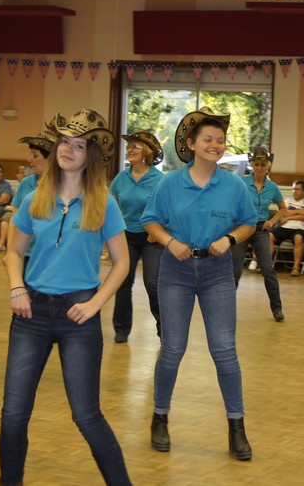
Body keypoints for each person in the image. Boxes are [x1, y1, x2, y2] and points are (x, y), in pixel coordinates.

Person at [0, 108, 131, 485]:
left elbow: (122, 262)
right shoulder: (34, 198)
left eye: (78, 145)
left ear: (90, 156)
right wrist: (17, 288)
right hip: (31, 313)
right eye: (64, 142)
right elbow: (13, 252)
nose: (67, 150)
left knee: (87, 416)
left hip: (79, 315)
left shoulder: (103, 202)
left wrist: (95, 303)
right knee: (13, 415)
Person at [141, 107, 257, 460]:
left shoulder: (234, 185)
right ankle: (160, 417)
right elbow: (150, 221)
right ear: (190, 144)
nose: (215, 145)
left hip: (217, 272)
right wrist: (169, 242)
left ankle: (236, 428)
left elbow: (249, 223)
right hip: (175, 271)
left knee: (224, 350)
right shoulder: (169, 183)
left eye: (220, 140)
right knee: (172, 348)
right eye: (208, 139)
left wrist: (230, 240)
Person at [109, 131, 165, 342]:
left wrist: (157, 229)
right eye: (129, 146)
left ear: (146, 152)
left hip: (152, 238)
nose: (130, 150)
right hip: (126, 237)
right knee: (123, 282)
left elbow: (168, 208)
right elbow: (111, 206)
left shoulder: (159, 179)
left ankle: (164, 328)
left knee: (152, 283)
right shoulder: (121, 178)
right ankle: (121, 329)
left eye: (135, 146)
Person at [231, 147, 288, 321]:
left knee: (268, 269)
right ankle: (227, 307)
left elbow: (283, 208)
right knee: (235, 270)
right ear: (252, 165)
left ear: (268, 166)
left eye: (263, 164)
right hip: (242, 228)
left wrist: (272, 221)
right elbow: (230, 202)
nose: (259, 168)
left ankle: (277, 309)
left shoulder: (272, 187)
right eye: (256, 164)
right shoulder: (241, 183)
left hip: (261, 230)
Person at [4, 122, 58, 263]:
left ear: (51, 159)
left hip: (51, 256)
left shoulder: (62, 187)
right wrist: (10, 251)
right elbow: (14, 221)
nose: (29, 160)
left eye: (35, 155)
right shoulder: (26, 183)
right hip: (24, 252)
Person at [270, 180, 304, 276]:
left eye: (297, 189)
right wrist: (300, 212)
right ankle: (267, 265)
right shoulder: (287, 200)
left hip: (301, 228)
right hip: (285, 227)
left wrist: (289, 216)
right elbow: (283, 214)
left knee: (298, 238)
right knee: (269, 236)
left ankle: (296, 268)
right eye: (293, 189)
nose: (294, 191)